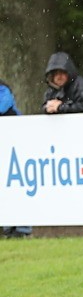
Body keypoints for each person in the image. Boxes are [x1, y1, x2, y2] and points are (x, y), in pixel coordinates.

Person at [1, 80, 32, 238]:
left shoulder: (3, 90)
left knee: (18, 186)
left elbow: (2, 106)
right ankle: (8, 227)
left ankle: (22, 228)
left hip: (15, 146)